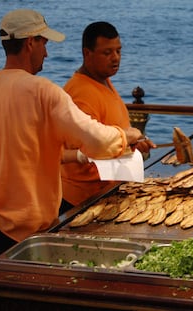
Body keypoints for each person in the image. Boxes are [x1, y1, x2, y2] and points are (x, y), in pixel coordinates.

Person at [0, 9, 143, 268]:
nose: (47, 53)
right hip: (26, 230)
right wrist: (126, 135)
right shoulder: (43, 92)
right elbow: (96, 141)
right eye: (44, 43)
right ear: (30, 43)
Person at [61, 21, 155, 207]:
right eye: (107, 53)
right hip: (84, 199)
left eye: (118, 51)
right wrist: (125, 143)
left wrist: (133, 143)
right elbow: (87, 150)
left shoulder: (102, 79)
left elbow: (111, 133)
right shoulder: (81, 93)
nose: (115, 58)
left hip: (109, 190)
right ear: (87, 53)